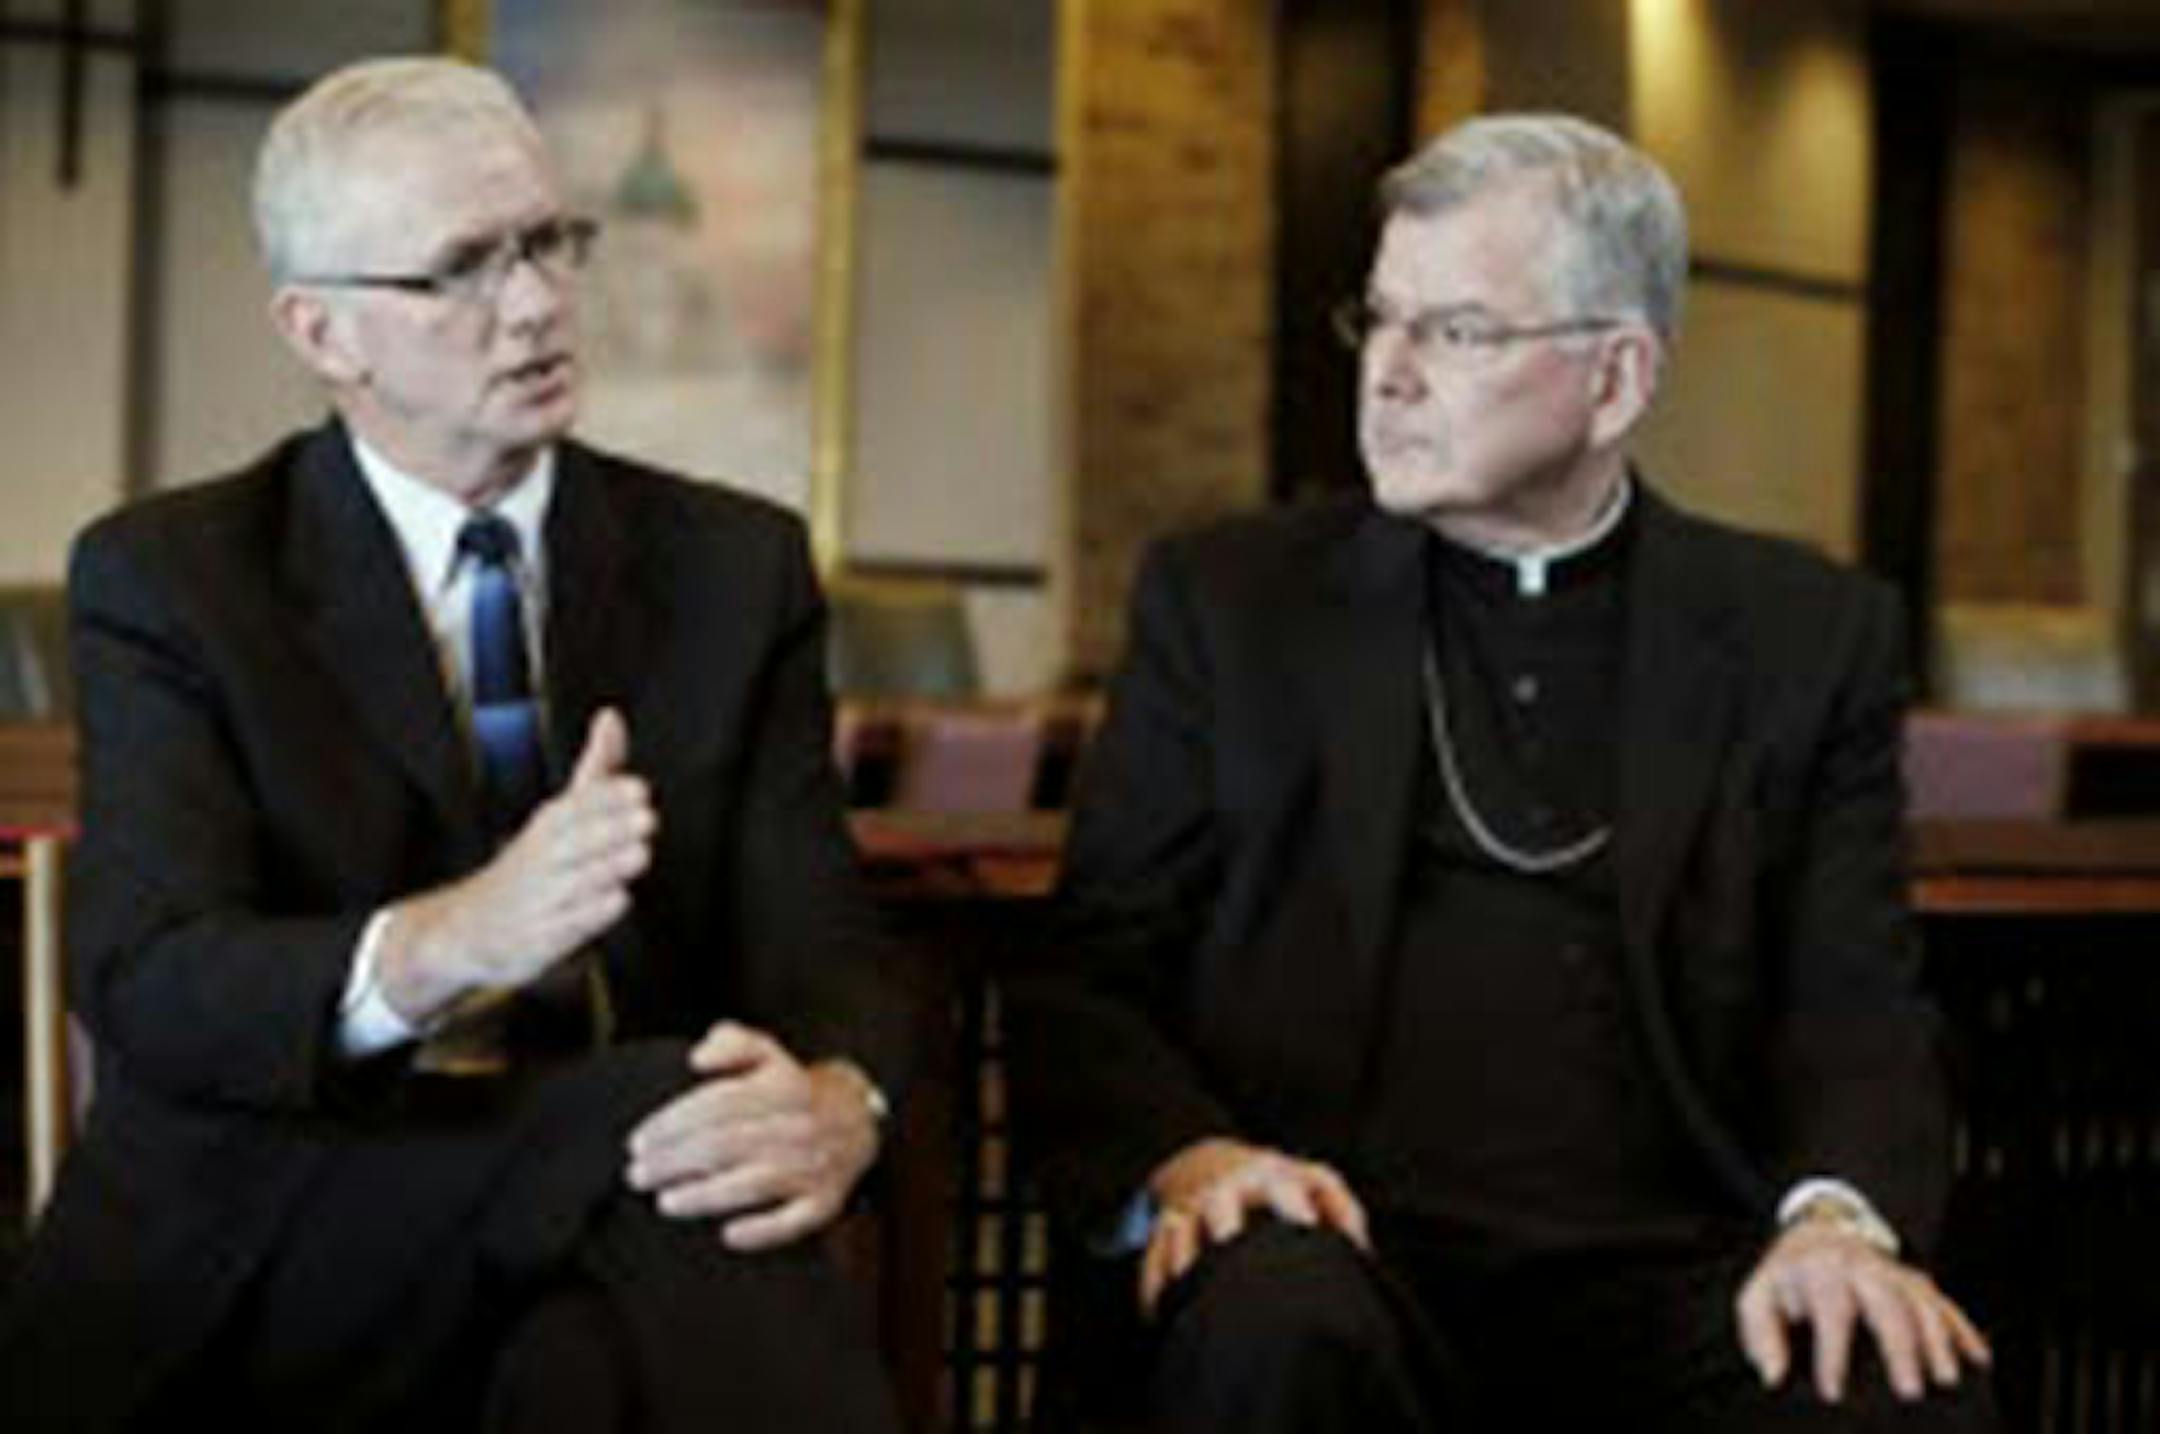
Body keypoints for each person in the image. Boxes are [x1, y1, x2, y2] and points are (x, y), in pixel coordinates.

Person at [1009, 113, 1997, 1431]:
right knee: (1272, 1329)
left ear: (1617, 378)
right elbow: (1091, 973)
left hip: (1676, 1269)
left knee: (1887, 1379)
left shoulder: (1803, 637)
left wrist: (1837, 1218)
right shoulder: (1232, 603)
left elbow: (1854, 996)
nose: (1391, 376)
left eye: (1459, 331)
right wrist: (1195, 1160)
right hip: (1333, 1233)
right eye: (1382, 320)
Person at [2, 56, 905, 1432]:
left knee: (586, 1349)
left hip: (609, 1214)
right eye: (463, 268)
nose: (538, 302)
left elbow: (824, 937)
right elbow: (154, 980)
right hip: (298, 1213)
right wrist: (460, 938)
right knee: (658, 1124)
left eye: (549, 241)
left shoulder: (734, 566)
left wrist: (846, 1096)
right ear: (323, 333)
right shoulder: (175, 577)